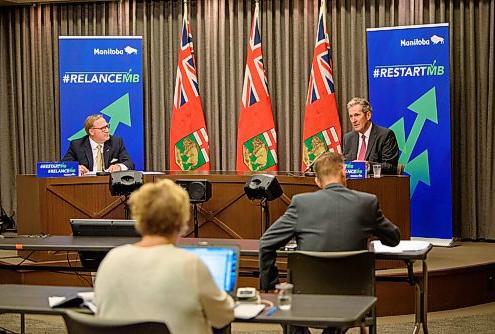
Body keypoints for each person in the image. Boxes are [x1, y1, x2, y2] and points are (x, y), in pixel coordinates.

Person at [94, 179, 234, 334]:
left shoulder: (112, 258)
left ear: (138, 218)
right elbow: (223, 317)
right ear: (182, 222)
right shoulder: (190, 264)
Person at [259, 152, 401, 291]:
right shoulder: (367, 203)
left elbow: (266, 243)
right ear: (343, 173)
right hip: (356, 298)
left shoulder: (301, 203)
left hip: (308, 297)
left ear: (317, 181)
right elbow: (393, 239)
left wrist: (272, 284)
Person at [62, 114, 134, 175]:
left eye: (107, 126)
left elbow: (130, 163)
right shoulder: (77, 145)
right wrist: (75, 169)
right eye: (103, 128)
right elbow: (63, 166)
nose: (107, 130)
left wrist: (119, 166)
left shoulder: (116, 142)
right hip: (86, 186)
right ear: (91, 131)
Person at [343, 97, 399, 175]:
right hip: (352, 185)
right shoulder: (348, 138)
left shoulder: (385, 135)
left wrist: (368, 166)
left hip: (377, 185)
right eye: (351, 116)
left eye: (357, 115)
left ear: (368, 115)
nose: (353, 120)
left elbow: (391, 167)